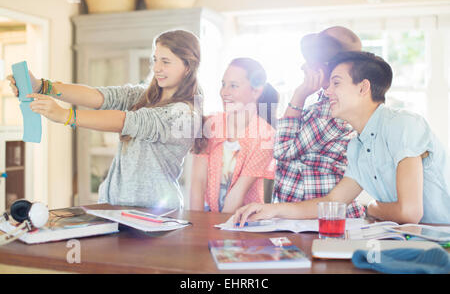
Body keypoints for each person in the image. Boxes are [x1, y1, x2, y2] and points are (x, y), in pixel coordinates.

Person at [234, 51, 450, 225]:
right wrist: (271, 209)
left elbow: (409, 212)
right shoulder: (357, 146)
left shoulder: (403, 124)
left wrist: (372, 207)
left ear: (363, 87)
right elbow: (332, 202)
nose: (327, 92)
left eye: (336, 83)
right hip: (416, 238)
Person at [8, 29, 203, 210]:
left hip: (156, 214)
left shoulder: (184, 114)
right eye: (155, 59)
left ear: (188, 67)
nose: (157, 68)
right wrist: (41, 86)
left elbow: (127, 121)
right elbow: (99, 97)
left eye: (166, 62)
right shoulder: (145, 97)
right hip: (116, 207)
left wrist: (65, 115)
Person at [273, 26, 365, 217]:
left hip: (324, 220)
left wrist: (299, 94)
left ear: (321, 67)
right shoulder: (322, 103)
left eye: (309, 61)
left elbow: (282, 150)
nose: (303, 67)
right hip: (305, 218)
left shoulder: (331, 112)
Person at [190, 57, 279, 213]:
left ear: (256, 91)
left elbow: (238, 192)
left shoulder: (266, 135)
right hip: (208, 217)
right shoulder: (210, 125)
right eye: (223, 84)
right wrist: (196, 225)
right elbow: (198, 181)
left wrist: (219, 228)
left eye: (233, 86)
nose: (224, 92)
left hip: (243, 221)